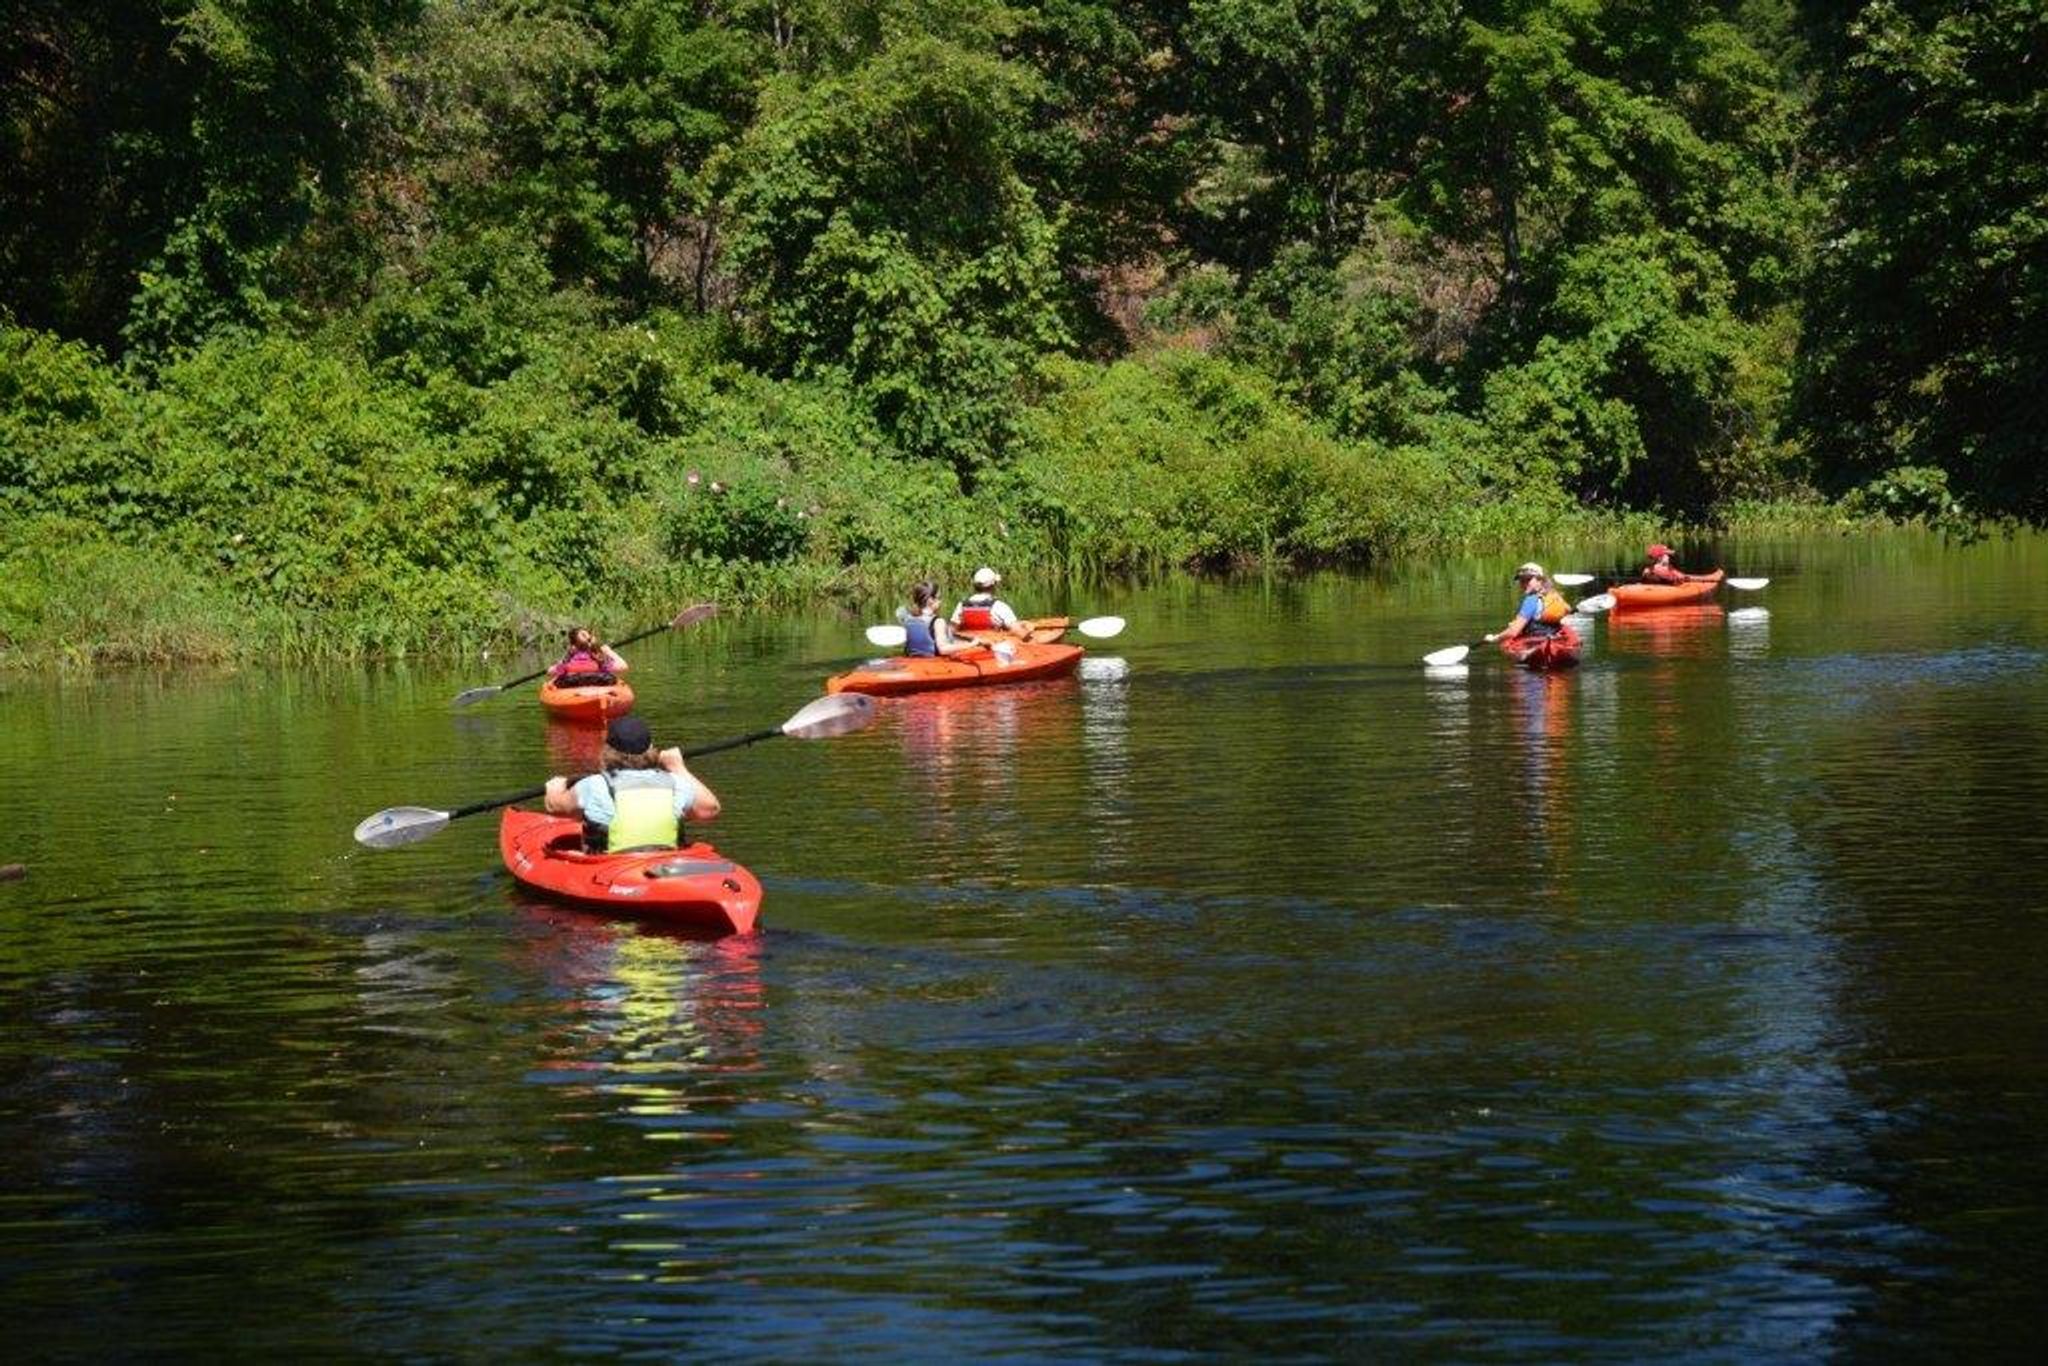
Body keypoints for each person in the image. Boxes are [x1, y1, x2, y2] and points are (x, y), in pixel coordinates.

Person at [544, 714, 720, 852]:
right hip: (664, 864)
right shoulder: (675, 783)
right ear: (651, 749)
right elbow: (709, 809)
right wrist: (678, 767)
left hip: (609, 868)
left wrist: (555, 787)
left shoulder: (593, 785)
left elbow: (556, 808)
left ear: (607, 750)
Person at [1486, 562, 1571, 647]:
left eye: (1528, 579)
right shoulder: (1554, 595)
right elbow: (1568, 610)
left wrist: (1495, 638)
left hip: (1536, 644)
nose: (1523, 584)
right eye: (1521, 580)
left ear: (1540, 580)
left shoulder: (1531, 600)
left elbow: (1513, 632)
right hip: (1555, 639)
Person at [898, 580, 977, 658]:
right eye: (938, 598)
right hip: (934, 665)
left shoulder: (909, 620)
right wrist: (972, 644)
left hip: (912, 663)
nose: (940, 601)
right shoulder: (938, 622)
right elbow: (943, 649)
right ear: (930, 600)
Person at [951, 567, 1030, 639]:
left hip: (969, 646)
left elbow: (952, 630)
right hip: (993, 646)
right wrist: (1029, 631)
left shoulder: (961, 605)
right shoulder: (1000, 606)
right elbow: (1020, 633)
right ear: (993, 585)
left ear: (975, 586)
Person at [550, 626, 628, 685]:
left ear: (573, 645)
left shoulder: (568, 662)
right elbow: (623, 666)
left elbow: (550, 672)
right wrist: (608, 651)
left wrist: (567, 656)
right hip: (598, 689)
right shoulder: (599, 659)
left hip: (573, 688)